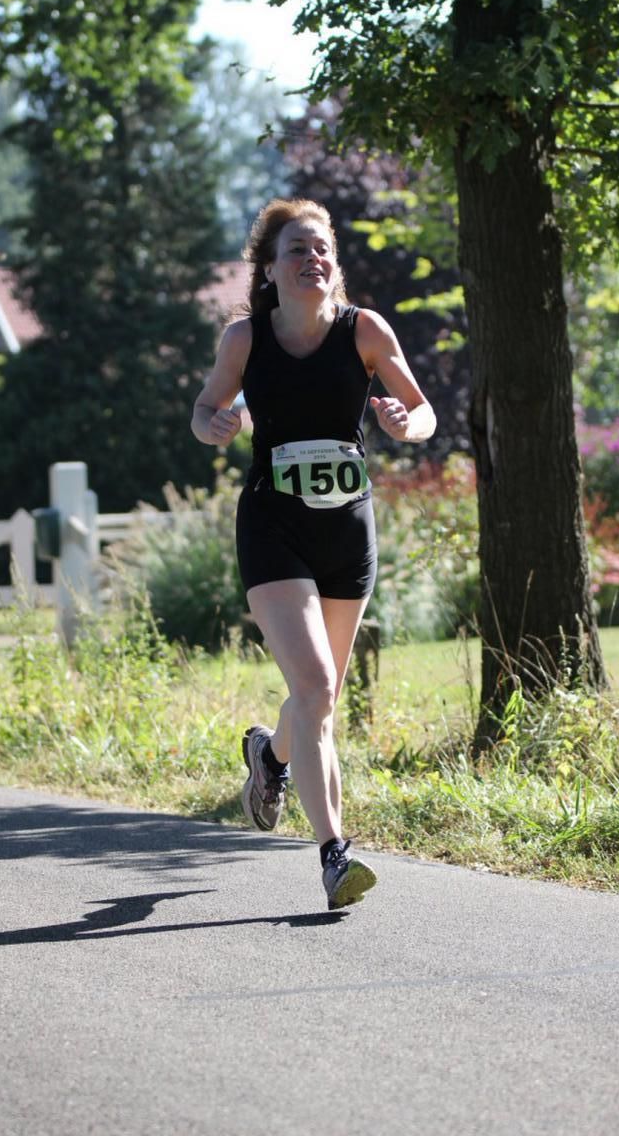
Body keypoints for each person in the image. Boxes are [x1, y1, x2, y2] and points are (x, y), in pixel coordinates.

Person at [191, 198, 436, 910]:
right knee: (318, 688)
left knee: (315, 694)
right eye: (296, 248)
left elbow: (421, 410)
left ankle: (269, 758)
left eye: (322, 248)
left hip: (346, 532)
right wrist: (220, 426)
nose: (312, 259)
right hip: (273, 528)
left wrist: (403, 422)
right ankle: (334, 854)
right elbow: (204, 412)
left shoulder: (365, 331)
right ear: (269, 269)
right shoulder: (246, 340)